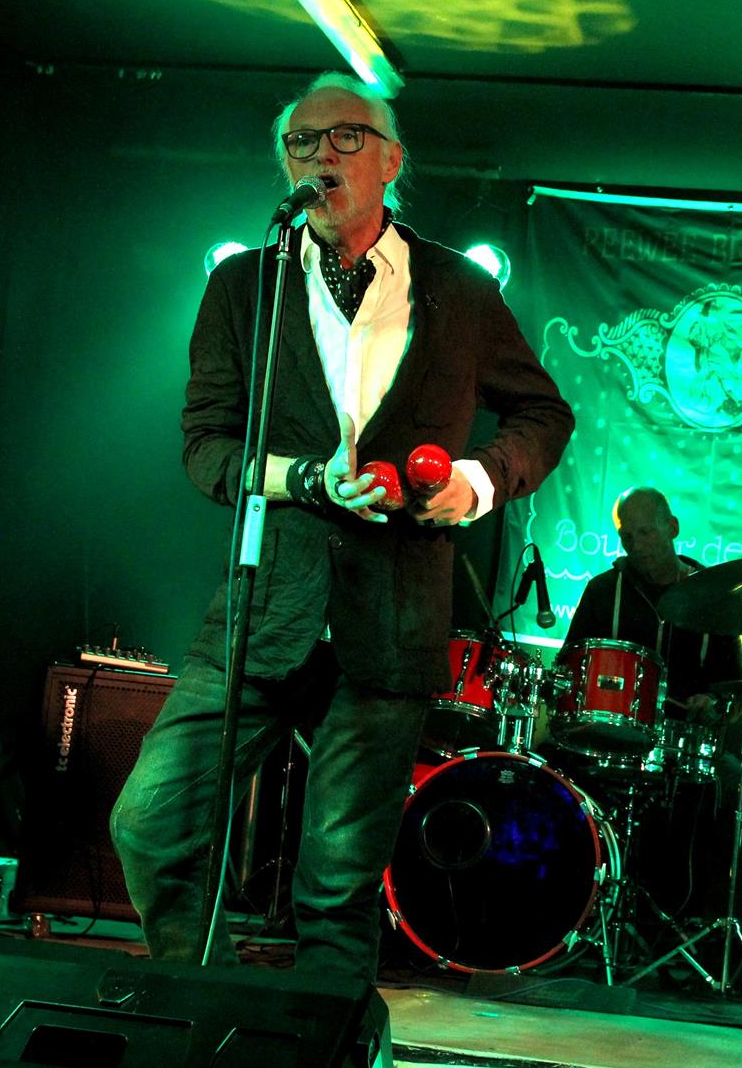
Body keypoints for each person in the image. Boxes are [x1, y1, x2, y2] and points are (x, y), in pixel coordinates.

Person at [109, 72, 574, 983]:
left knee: (335, 883)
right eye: (302, 142)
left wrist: (476, 481)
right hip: (265, 607)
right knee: (151, 821)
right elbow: (206, 447)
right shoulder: (245, 284)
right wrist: (305, 479)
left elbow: (543, 412)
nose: (322, 154)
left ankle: (325, 1056)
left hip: (390, 618)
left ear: (392, 160)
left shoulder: (459, 287)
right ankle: (210, 1005)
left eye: (345, 137)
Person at [558, 487, 742, 723]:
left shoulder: (713, 597)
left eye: (645, 532)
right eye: (627, 536)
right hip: (609, 730)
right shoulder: (602, 590)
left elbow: (737, 692)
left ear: (673, 527)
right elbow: (567, 668)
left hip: (684, 735)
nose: (636, 545)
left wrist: (713, 702)